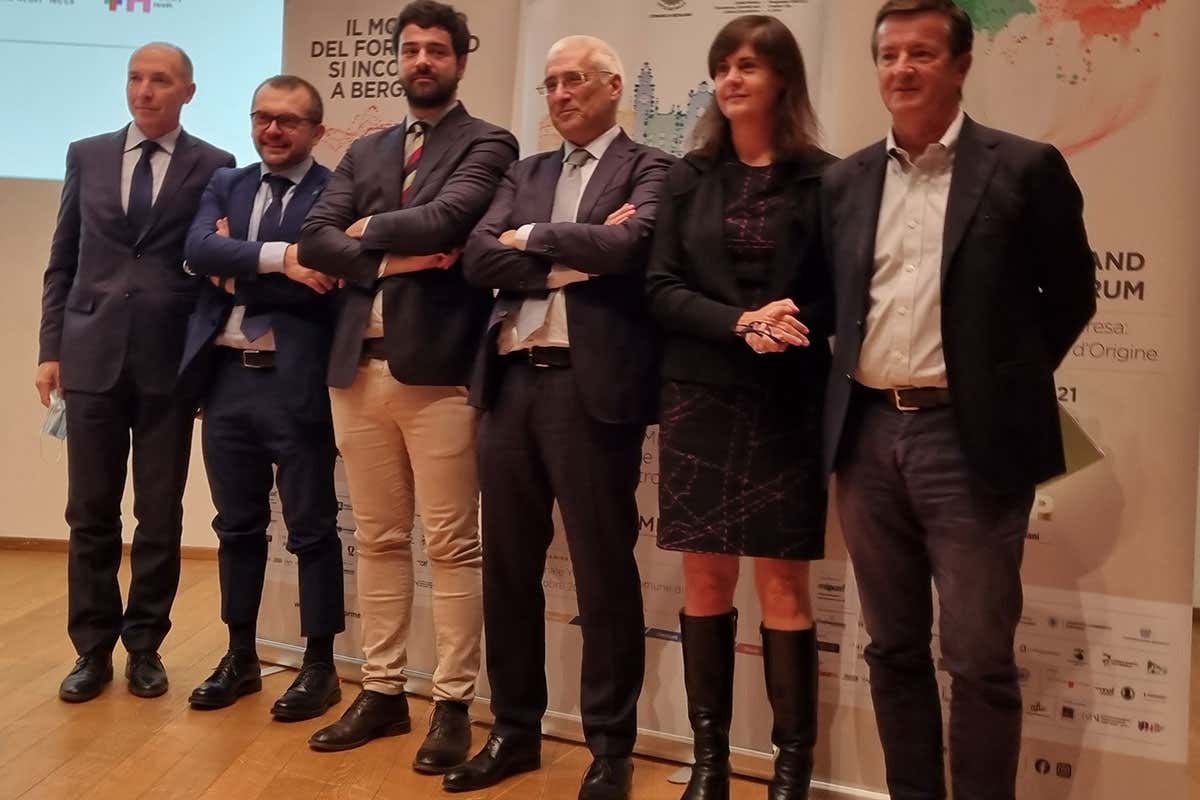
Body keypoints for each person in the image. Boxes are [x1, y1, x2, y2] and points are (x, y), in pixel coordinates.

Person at [821, 2, 1095, 798]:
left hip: (969, 442)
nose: (902, 69)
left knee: (977, 659)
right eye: (889, 55)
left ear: (962, 65)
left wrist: (997, 384)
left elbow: (1071, 295)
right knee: (892, 649)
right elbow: (834, 300)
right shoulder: (845, 180)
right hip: (867, 436)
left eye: (922, 53)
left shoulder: (1024, 167)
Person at [444, 34, 673, 800]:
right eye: (550, 84)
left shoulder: (651, 166)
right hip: (510, 383)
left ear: (614, 86)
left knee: (603, 571)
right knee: (509, 568)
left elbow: (632, 245)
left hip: (590, 389)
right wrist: (575, 259)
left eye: (574, 80)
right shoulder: (526, 170)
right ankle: (514, 731)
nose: (560, 95)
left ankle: (610, 748)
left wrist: (532, 239)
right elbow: (478, 257)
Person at [297, 0, 518, 773]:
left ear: (460, 60)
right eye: (411, 48)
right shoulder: (367, 149)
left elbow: (449, 219)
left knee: (451, 545)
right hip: (356, 370)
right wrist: (392, 255)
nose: (422, 60)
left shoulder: (488, 142)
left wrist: (365, 230)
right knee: (380, 539)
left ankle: (452, 703)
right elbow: (313, 238)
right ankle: (383, 691)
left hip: (440, 374)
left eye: (436, 49)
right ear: (398, 59)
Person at [644, 15, 835, 800]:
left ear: (782, 78)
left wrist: (790, 322)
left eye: (748, 65)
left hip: (787, 399)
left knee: (784, 586)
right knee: (705, 581)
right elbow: (660, 288)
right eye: (722, 65)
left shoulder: (827, 178)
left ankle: (791, 772)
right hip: (700, 396)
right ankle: (710, 764)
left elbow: (843, 292)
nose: (731, 78)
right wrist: (739, 321)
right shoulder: (687, 177)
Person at [36, 42, 235, 703]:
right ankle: (91, 650)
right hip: (90, 355)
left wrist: (205, 359)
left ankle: (145, 645)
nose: (145, 91)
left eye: (160, 80)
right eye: (136, 78)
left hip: (168, 362)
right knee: (90, 511)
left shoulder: (215, 164)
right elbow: (63, 259)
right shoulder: (86, 154)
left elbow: (211, 271)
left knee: (158, 513)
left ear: (188, 91)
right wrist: (50, 349)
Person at [178, 75, 344, 721]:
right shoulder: (227, 182)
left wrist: (235, 272)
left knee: (312, 528)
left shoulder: (336, 192)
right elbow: (197, 248)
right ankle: (240, 656)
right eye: (262, 117)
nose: (272, 130)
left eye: (288, 121)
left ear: (316, 131)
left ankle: (320, 666)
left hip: (294, 380)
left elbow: (325, 282)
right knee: (236, 526)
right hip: (225, 380)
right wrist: (283, 260)